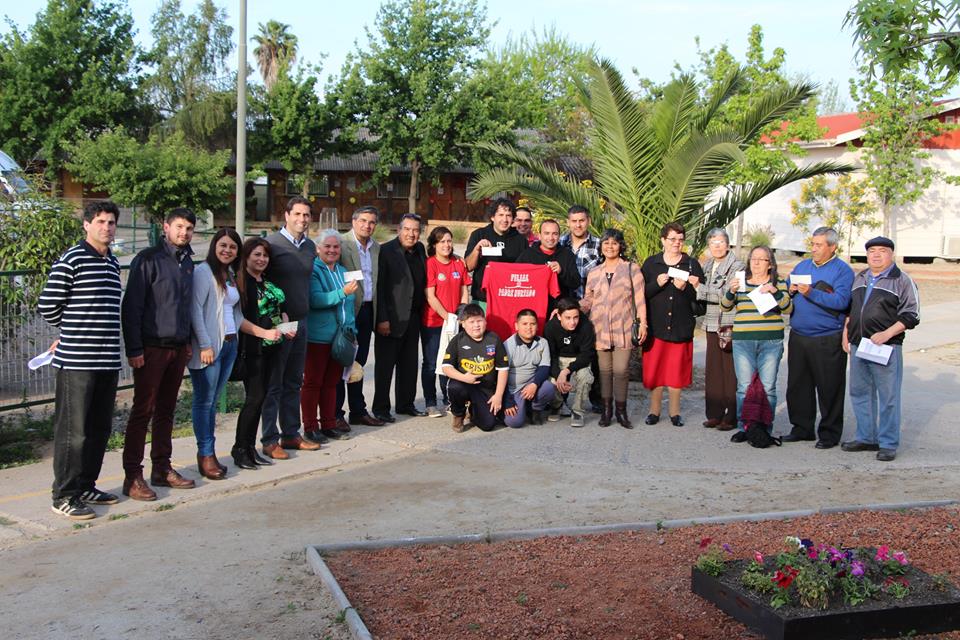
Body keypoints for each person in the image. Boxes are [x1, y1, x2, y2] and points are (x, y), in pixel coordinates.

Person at [38, 201, 123, 519]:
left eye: (111, 222)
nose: (106, 227)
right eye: (100, 221)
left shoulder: (111, 262)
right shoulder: (73, 258)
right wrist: (71, 332)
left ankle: (86, 485)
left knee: (99, 429)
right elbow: (48, 304)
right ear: (86, 224)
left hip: (107, 361)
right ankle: (64, 494)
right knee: (74, 433)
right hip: (77, 362)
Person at [120, 208, 198, 501]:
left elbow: (185, 306)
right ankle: (132, 475)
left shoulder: (187, 261)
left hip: (177, 348)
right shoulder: (148, 259)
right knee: (143, 411)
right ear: (166, 227)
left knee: (166, 411)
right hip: (151, 348)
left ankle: (162, 468)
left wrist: (187, 341)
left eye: (189, 228)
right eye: (179, 227)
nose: (184, 233)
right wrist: (134, 348)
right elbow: (132, 307)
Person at [841, 236, 920, 462]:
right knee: (860, 393)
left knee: (888, 397)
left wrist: (887, 333)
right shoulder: (860, 277)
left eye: (882, 250)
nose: (876, 254)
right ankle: (866, 437)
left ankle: (887, 443)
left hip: (886, 347)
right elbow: (851, 310)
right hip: (859, 345)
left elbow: (912, 315)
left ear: (891, 254)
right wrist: (847, 333)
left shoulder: (902, 280)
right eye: (872, 250)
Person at [783, 227, 854, 449]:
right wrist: (790, 289)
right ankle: (801, 428)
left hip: (827, 337)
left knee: (829, 387)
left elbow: (841, 301)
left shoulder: (843, 271)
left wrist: (811, 292)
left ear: (832, 247)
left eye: (819, 245)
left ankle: (829, 433)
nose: (813, 249)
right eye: (812, 244)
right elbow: (786, 286)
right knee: (798, 386)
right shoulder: (803, 266)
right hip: (799, 335)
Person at [261, 196, 321, 458]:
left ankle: (290, 434)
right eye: (297, 214)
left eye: (306, 215)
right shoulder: (272, 244)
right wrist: (274, 318)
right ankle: (269, 439)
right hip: (279, 323)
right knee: (274, 383)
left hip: (301, 321)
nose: (302, 219)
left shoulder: (309, 246)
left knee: (294, 381)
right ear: (286, 215)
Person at [187, 228, 244, 480]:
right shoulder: (204, 272)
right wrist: (205, 345)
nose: (227, 250)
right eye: (223, 245)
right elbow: (195, 310)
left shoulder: (230, 274)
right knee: (205, 401)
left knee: (212, 401)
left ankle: (209, 452)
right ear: (214, 246)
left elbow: (234, 310)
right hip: (210, 347)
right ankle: (206, 454)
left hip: (229, 344)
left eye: (232, 247)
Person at [721, 246, 792, 443]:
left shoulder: (777, 282)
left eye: (762, 259)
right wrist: (731, 291)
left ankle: (764, 428)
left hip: (771, 341)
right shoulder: (741, 281)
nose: (757, 263)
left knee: (768, 386)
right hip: (743, 340)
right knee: (744, 386)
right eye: (753, 259)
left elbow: (788, 309)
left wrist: (775, 292)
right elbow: (725, 306)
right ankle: (744, 427)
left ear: (770, 264)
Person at [580, 229, 647, 429]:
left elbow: (640, 299)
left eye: (614, 243)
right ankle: (607, 411)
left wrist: (643, 323)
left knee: (621, 370)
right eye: (606, 243)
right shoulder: (594, 272)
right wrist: (570, 308)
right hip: (599, 328)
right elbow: (588, 299)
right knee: (605, 371)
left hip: (623, 327)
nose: (610, 246)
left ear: (621, 246)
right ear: (601, 246)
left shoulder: (631, 269)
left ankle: (621, 411)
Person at [641, 222, 704, 427]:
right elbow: (640, 295)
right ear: (663, 240)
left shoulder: (692, 264)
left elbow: (702, 301)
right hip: (656, 327)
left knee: (676, 373)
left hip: (680, 327)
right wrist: (656, 285)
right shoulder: (651, 264)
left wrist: (686, 289)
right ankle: (654, 411)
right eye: (672, 239)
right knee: (656, 372)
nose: (676, 243)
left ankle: (675, 413)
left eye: (680, 239)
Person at [232, 238, 287, 468]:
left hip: (274, 347)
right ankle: (240, 448)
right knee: (254, 398)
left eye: (265, 255)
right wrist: (264, 333)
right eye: (256, 255)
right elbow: (239, 319)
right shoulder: (240, 284)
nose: (261, 259)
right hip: (252, 349)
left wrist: (285, 324)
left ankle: (250, 448)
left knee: (262, 397)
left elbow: (279, 308)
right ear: (246, 256)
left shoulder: (266, 281)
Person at [302, 230, 359, 441]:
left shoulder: (343, 271)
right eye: (327, 246)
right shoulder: (313, 270)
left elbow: (349, 306)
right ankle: (310, 427)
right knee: (313, 383)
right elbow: (316, 300)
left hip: (341, 338)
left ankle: (328, 424)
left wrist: (352, 331)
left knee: (331, 383)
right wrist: (342, 292)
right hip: (318, 337)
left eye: (336, 246)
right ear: (318, 248)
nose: (332, 250)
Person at [373, 213, 428, 422]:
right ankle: (381, 408)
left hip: (413, 317)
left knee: (409, 365)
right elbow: (380, 287)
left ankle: (406, 404)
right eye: (407, 229)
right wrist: (382, 319)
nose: (411, 234)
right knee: (385, 367)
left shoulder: (420, 249)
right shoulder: (386, 251)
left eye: (415, 230)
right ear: (399, 230)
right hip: (390, 318)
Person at [336, 205, 384, 428]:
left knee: (359, 362)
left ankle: (357, 410)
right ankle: (336, 413)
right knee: (341, 362)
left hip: (367, 310)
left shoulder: (376, 248)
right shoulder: (341, 243)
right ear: (353, 221)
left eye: (372, 222)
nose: (367, 225)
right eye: (363, 221)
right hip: (345, 311)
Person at [696, 228, 744, 431]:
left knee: (730, 372)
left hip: (728, 323)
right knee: (713, 371)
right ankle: (714, 414)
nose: (717, 246)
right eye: (713, 243)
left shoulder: (738, 265)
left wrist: (699, 289)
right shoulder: (707, 264)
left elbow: (728, 293)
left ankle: (731, 416)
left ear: (728, 244)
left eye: (721, 242)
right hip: (710, 322)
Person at [422, 225, 470, 418]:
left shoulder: (458, 263)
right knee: (431, 363)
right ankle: (430, 402)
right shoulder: (430, 264)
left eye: (449, 241)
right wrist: (447, 317)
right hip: (434, 322)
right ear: (434, 244)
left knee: (450, 362)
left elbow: (464, 290)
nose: (446, 245)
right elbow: (430, 296)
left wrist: (462, 314)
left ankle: (449, 400)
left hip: (455, 321)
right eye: (442, 241)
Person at [559, 204, 603, 412]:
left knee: (592, 351)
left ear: (588, 221)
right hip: (564, 308)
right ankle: (560, 400)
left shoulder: (600, 245)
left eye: (582, 221)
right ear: (568, 222)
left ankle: (596, 399)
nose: (578, 225)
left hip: (591, 307)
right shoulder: (560, 243)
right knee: (563, 351)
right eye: (574, 221)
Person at [441, 304, 511, 433]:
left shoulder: (494, 339)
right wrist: (464, 378)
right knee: (454, 387)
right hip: (464, 384)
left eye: (479, 321)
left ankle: (473, 411)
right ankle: (458, 414)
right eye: (471, 322)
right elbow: (446, 367)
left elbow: (503, 369)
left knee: (488, 425)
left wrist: (498, 395)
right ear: (463, 324)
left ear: (485, 321)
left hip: (485, 388)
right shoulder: (458, 340)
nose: (476, 325)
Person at [464, 197, 528, 307]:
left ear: (513, 219)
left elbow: (526, 270)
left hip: (509, 300)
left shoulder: (520, 240)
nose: (505, 219)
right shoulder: (479, 235)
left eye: (508, 215)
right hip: (482, 300)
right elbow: (468, 266)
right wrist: (477, 249)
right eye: (501, 215)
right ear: (492, 217)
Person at [544, 297, 596, 428]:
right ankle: (557, 405)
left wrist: (566, 371)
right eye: (568, 318)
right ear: (559, 316)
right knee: (551, 381)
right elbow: (550, 356)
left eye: (575, 317)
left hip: (578, 359)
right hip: (559, 358)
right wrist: (558, 375)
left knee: (586, 377)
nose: (572, 322)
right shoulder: (550, 327)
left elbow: (586, 355)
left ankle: (578, 411)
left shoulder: (586, 325)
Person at [503, 310, 556, 427]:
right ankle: (522, 407)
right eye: (524, 324)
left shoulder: (543, 342)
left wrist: (534, 384)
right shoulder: (508, 345)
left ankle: (535, 409)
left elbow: (544, 367)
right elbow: (502, 375)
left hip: (532, 384)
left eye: (532, 324)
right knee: (514, 422)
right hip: (514, 389)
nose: (529, 328)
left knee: (549, 387)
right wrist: (507, 401)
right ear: (516, 326)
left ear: (537, 326)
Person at [517, 218, 581, 307]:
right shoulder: (527, 255)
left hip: (559, 308)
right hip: (533, 306)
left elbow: (576, 283)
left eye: (555, 234)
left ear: (559, 236)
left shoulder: (567, 254)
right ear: (539, 235)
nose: (551, 238)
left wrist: (561, 272)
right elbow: (516, 278)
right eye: (547, 233)